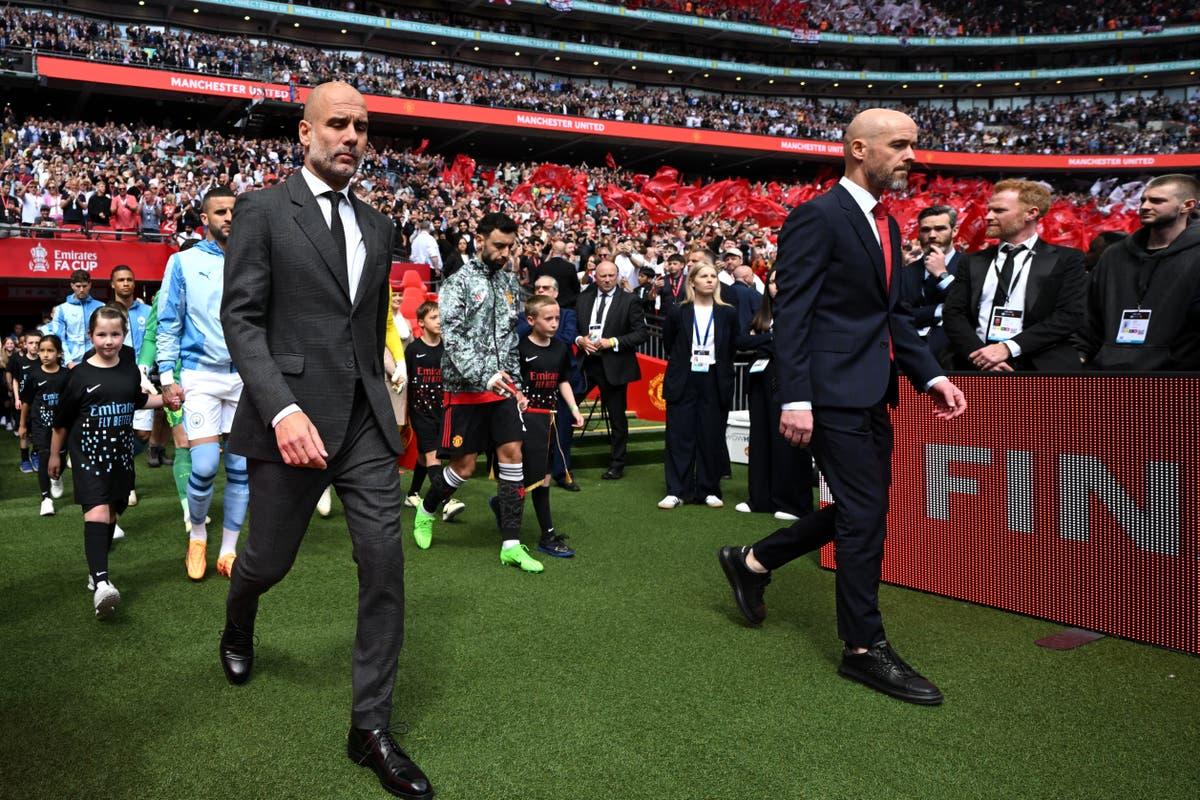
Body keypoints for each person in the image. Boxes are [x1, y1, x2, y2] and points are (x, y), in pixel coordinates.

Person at [218, 81, 433, 800]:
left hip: (367, 424)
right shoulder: (261, 209)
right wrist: (280, 410)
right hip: (291, 422)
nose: (352, 136)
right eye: (337, 124)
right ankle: (240, 615)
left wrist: (394, 405)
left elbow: (369, 331)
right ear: (304, 134)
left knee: (384, 564)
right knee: (266, 561)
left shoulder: (378, 226)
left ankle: (369, 726)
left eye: (362, 126)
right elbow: (242, 320)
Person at [717, 109, 967, 706]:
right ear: (859, 148)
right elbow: (794, 313)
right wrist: (796, 398)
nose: (912, 156)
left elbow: (890, 317)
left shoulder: (890, 223)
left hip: (871, 388)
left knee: (863, 509)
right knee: (865, 514)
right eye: (900, 145)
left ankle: (750, 561)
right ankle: (863, 649)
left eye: (914, 146)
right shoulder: (817, 216)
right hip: (827, 395)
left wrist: (929, 375)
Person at [411, 211, 543, 575]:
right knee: (464, 466)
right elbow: (452, 338)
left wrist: (516, 385)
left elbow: (508, 340)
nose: (505, 253)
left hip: (501, 387)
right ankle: (426, 510)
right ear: (479, 240)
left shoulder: (508, 283)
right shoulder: (456, 283)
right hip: (466, 387)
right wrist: (484, 375)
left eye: (510, 247)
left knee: (512, 454)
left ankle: (511, 544)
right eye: (499, 245)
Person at [48, 306, 175, 618]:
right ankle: (103, 584)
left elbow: (139, 401)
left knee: (112, 516)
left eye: (115, 334)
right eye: (101, 334)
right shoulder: (78, 376)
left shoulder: (130, 370)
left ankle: (96, 569)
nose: (108, 341)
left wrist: (167, 399)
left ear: (123, 336)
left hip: (120, 461)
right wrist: (54, 454)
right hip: (88, 460)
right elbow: (61, 421)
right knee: (98, 512)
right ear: (91, 336)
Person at [157, 186, 248, 581]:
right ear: (205, 219)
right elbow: (168, 322)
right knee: (207, 465)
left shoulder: (258, 260)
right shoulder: (183, 262)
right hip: (200, 374)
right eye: (220, 212)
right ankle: (197, 537)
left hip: (246, 377)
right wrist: (165, 375)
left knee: (242, 468)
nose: (228, 217)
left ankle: (228, 551)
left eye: (233, 211)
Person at [942, 180, 1086, 372]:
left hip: (1039, 368)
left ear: (1031, 213)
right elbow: (953, 313)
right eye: (989, 210)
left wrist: (1008, 348)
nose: (988, 216)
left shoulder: (1067, 260)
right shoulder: (971, 261)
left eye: (999, 211)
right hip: (976, 367)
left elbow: (1068, 316)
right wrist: (981, 355)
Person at [491, 295, 584, 556]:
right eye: (548, 318)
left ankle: (537, 528)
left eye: (557, 318)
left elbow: (563, 380)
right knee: (531, 477)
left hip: (551, 419)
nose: (555, 323)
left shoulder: (561, 348)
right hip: (525, 420)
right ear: (531, 320)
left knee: (543, 478)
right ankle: (545, 534)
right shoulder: (519, 348)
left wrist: (575, 409)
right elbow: (508, 382)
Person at [1081, 174, 1200, 371]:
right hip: (1108, 374)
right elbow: (1089, 315)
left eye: (1157, 201)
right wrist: (1083, 356)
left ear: (1187, 205)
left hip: (1179, 378)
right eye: (1144, 199)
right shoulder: (1114, 254)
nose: (1144, 206)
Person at [734, 267, 814, 521]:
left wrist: (766, 341)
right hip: (760, 381)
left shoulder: (805, 312)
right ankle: (760, 498)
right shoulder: (762, 313)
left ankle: (793, 502)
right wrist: (769, 340)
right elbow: (741, 342)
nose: (776, 286)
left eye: (783, 280)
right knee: (760, 438)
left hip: (792, 383)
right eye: (772, 281)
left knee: (788, 440)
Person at [658, 262, 737, 509]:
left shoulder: (728, 313)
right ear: (692, 281)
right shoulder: (677, 311)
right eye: (704, 276)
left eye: (713, 276)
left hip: (714, 378)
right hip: (684, 377)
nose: (710, 280)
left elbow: (731, 346)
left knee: (711, 434)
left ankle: (708, 489)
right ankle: (676, 490)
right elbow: (669, 343)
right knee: (679, 434)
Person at [574, 260, 649, 480]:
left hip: (614, 365)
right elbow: (573, 329)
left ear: (617, 276)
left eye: (611, 275)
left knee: (617, 418)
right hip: (586, 364)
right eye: (603, 276)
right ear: (594, 276)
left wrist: (613, 341)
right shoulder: (583, 299)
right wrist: (580, 340)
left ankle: (617, 463)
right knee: (568, 409)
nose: (607, 280)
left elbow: (641, 333)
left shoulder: (630, 300)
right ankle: (558, 460)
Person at [402, 301, 466, 522]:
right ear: (421, 322)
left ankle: (412, 494)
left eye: (441, 316)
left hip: (445, 412)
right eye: (433, 317)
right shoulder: (413, 350)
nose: (439, 321)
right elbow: (406, 382)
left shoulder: (448, 349)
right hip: (421, 413)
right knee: (433, 456)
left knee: (423, 456)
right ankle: (446, 502)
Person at [519, 276, 582, 492]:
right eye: (537, 288)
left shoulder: (568, 317)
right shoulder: (523, 326)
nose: (541, 290)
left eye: (546, 288)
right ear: (531, 319)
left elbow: (566, 338)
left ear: (556, 292)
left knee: (561, 434)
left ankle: (562, 472)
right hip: (528, 405)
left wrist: (575, 408)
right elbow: (520, 337)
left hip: (556, 389)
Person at [899, 205, 963, 366]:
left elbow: (967, 308)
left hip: (955, 359)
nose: (932, 235)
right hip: (910, 358)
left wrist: (942, 275)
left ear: (954, 231)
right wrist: (939, 311)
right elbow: (900, 315)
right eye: (926, 230)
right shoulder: (904, 273)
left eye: (940, 228)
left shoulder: (972, 266)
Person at [19, 334, 67, 515]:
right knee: (44, 457)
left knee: (61, 458)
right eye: (42, 350)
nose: (45, 354)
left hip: (62, 427)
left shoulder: (66, 375)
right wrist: (23, 425)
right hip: (40, 426)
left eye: (50, 350)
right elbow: (26, 401)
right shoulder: (33, 375)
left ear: (59, 353)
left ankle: (56, 476)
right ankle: (46, 498)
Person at [46, 270, 103, 367]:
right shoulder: (61, 309)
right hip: (71, 362)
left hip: (96, 359)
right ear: (72, 285)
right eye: (78, 286)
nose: (81, 289)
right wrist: (68, 361)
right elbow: (59, 338)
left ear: (90, 285)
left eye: (84, 286)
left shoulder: (101, 307)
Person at [9, 331, 41, 472]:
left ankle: (35, 454)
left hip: (38, 404)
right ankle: (24, 460)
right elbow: (15, 380)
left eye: (37, 343)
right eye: (31, 343)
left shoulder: (43, 361)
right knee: (24, 433)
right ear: (25, 344)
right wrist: (17, 398)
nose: (34, 346)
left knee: (37, 432)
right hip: (23, 403)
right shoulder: (19, 360)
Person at [532, 238, 582, 309]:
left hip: (546, 304)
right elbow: (576, 288)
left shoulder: (542, 267)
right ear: (564, 251)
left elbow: (535, 286)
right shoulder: (570, 267)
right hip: (565, 305)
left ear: (552, 250)